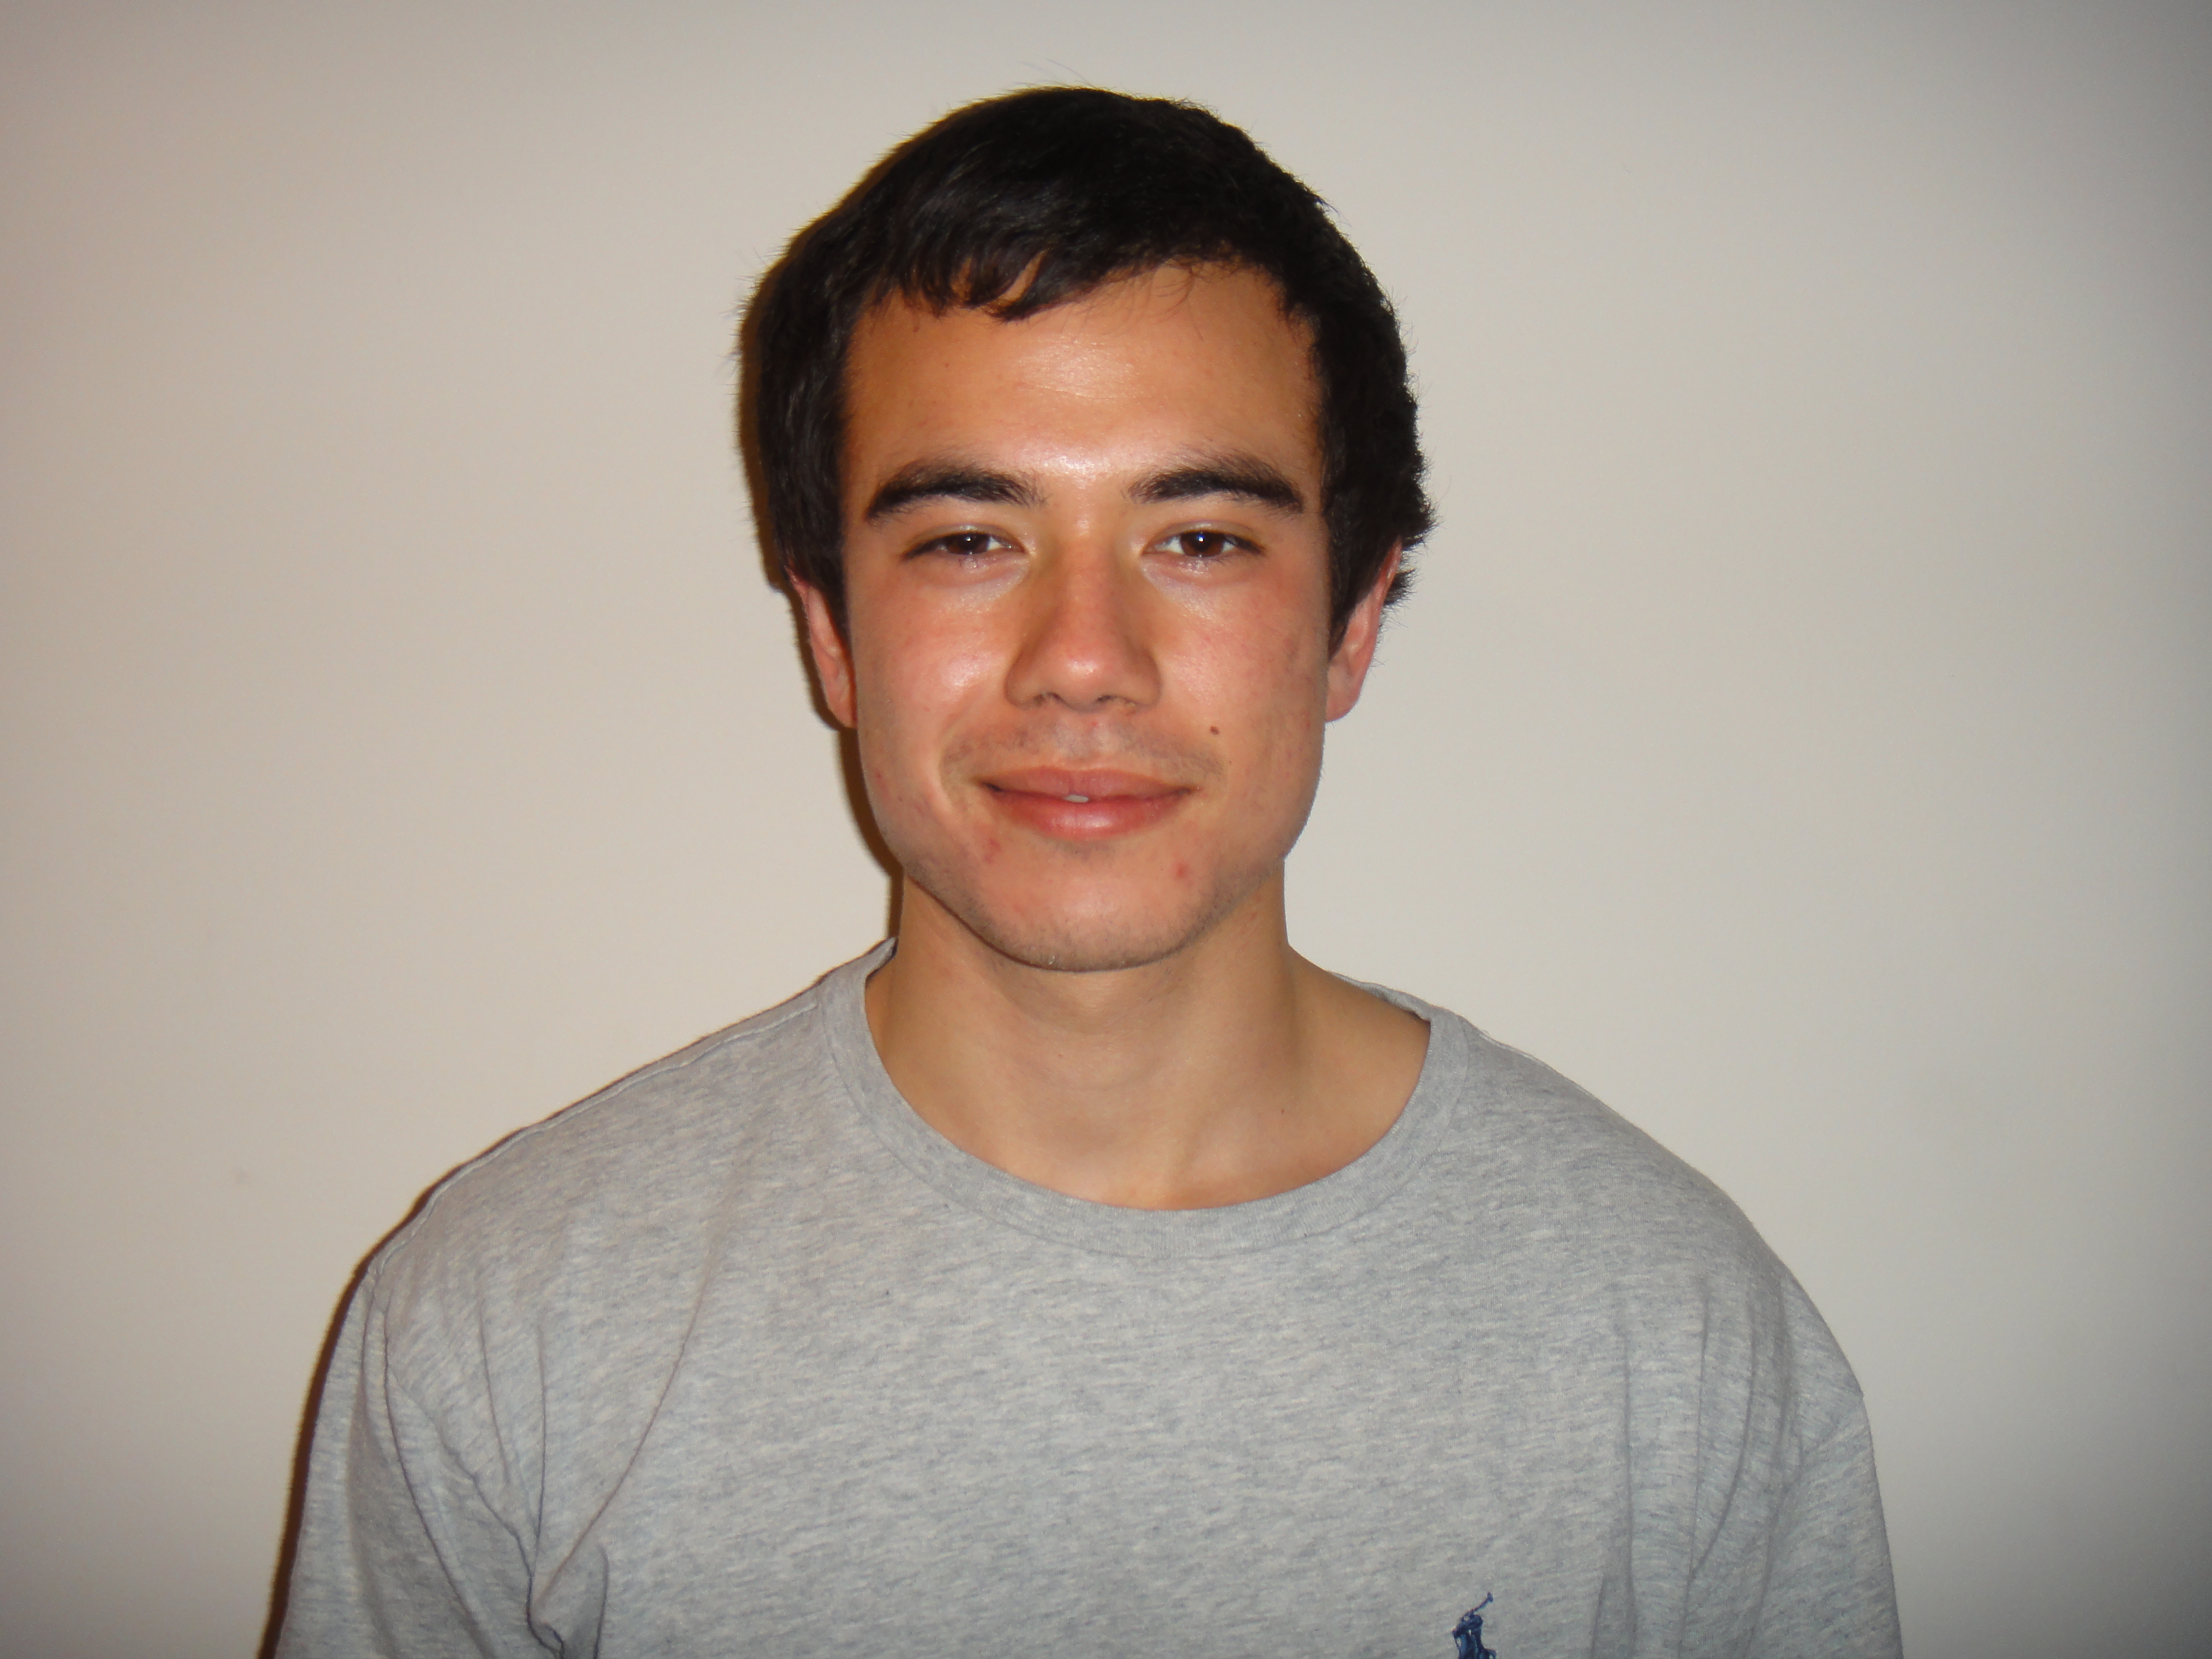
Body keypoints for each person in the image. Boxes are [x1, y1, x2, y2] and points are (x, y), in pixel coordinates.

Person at [274, 88, 1901, 1657]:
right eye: (968, 539)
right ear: (832, 634)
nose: (1083, 661)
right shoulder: (509, 1331)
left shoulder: (1670, 1340)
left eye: (1199, 538)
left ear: (1350, 623)